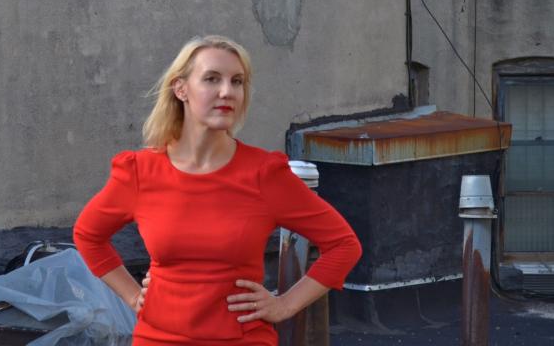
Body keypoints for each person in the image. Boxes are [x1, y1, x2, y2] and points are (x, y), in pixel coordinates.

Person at [73, 35, 362, 345]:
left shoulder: (264, 174)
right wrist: (132, 296)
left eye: (237, 81)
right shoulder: (139, 172)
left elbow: (344, 245)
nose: (227, 91)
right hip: (157, 338)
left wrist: (285, 305)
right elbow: (88, 235)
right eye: (212, 79)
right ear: (180, 89)